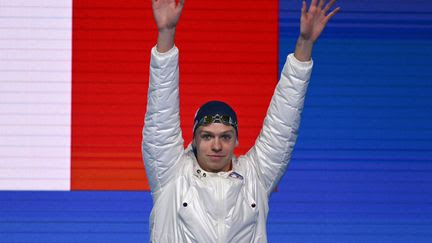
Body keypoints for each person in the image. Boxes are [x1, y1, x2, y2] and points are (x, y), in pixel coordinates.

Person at [142, 0, 340, 242]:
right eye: (207, 136)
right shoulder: (171, 174)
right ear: (193, 139)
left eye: (225, 136)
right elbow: (160, 113)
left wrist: (305, 45)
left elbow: (283, 122)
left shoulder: (255, 176)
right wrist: (166, 34)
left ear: (236, 140)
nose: (216, 145)